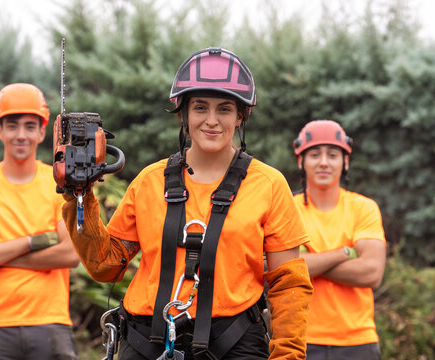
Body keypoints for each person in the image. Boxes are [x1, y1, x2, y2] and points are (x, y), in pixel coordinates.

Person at [62, 47, 313, 360]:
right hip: (146, 342)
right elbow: (106, 265)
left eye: (224, 109)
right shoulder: (149, 182)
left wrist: (288, 355)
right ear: (183, 113)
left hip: (235, 344)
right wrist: (78, 194)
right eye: (200, 108)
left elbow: (288, 283)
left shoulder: (269, 185)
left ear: (241, 116)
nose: (211, 120)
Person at [0, 83, 80, 360]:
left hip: (50, 324)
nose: (21, 135)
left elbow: (70, 253)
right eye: (12, 125)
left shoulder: (60, 186)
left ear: (42, 132)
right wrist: (33, 242)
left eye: (30, 126)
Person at [292, 120, 387, 360]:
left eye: (333, 155)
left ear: (345, 162)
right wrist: (345, 253)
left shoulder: (363, 208)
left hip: (358, 343)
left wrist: (307, 262)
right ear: (300, 161)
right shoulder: (287, 209)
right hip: (297, 340)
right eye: (314, 154)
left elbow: (372, 273)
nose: (324, 162)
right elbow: (275, 267)